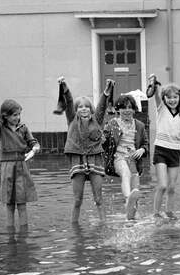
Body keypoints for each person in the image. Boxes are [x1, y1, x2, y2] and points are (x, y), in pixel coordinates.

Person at [55, 77, 114, 224]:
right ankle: (75, 227)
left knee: (99, 199)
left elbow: (101, 106)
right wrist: (64, 86)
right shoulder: (72, 120)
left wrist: (106, 92)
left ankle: (103, 225)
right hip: (77, 160)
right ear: (76, 110)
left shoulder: (97, 120)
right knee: (77, 200)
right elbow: (68, 102)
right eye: (80, 107)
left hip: (95, 159)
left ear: (90, 109)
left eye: (86, 106)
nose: (84, 109)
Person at [0, 98, 40, 232]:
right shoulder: (0, 129)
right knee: (10, 205)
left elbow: (33, 142)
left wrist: (35, 148)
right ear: (5, 116)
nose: (17, 118)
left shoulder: (23, 128)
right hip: (6, 168)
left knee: (22, 204)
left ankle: (24, 233)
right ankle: (10, 234)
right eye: (14, 115)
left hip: (21, 167)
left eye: (19, 114)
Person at [147, 74, 180, 220]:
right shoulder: (161, 108)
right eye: (169, 97)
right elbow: (155, 94)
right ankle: (156, 213)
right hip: (161, 149)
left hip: (175, 151)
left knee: (172, 187)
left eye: (175, 97)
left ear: (179, 98)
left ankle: (169, 212)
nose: (172, 100)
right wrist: (153, 83)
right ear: (164, 98)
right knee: (162, 185)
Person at [104, 94, 149, 220]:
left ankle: (131, 216)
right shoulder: (112, 123)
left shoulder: (139, 125)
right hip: (119, 157)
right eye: (123, 108)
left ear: (134, 109)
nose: (127, 110)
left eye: (130, 107)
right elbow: (104, 140)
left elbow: (146, 144)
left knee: (135, 190)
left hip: (134, 160)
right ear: (118, 110)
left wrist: (142, 149)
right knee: (125, 174)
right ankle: (127, 198)